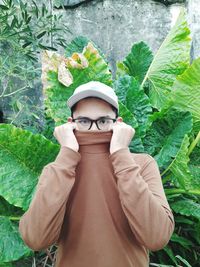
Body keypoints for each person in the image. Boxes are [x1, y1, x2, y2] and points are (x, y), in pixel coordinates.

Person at [19, 81, 175, 267]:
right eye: (84, 121)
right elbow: (36, 239)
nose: (94, 129)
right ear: (71, 124)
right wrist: (67, 154)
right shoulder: (59, 169)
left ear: (118, 123)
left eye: (102, 121)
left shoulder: (142, 164)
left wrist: (121, 155)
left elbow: (157, 237)